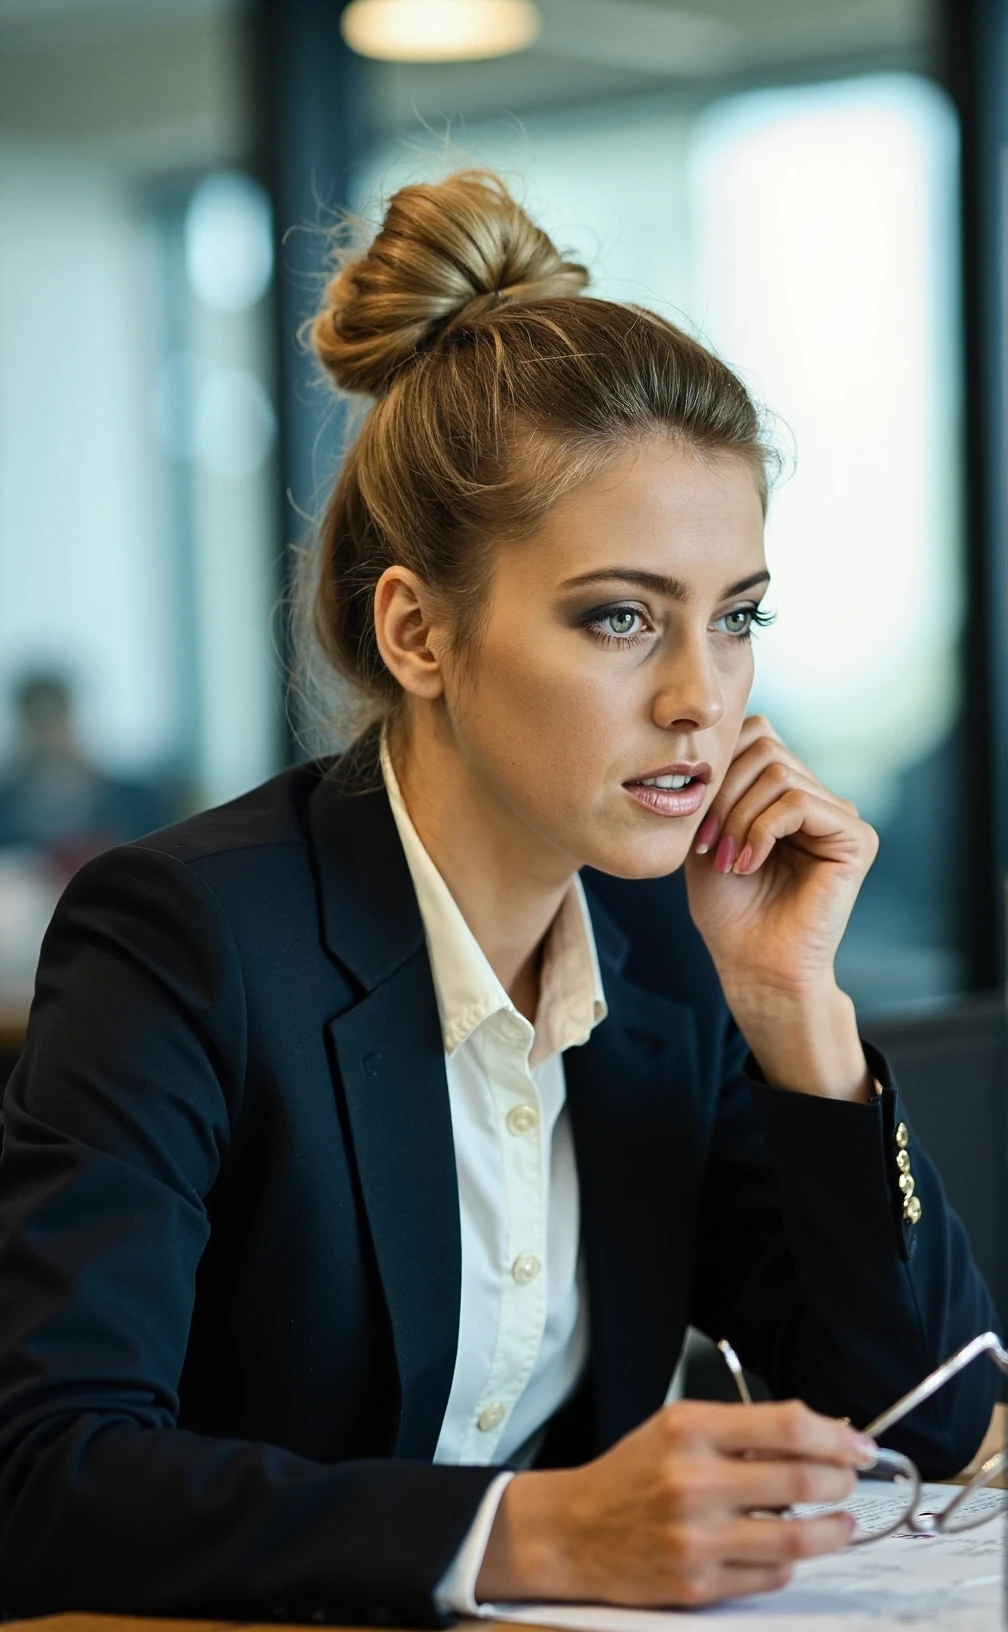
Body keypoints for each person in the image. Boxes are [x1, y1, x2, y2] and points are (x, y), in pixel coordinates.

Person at [0, 171, 998, 1623]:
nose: (699, 701)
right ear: (416, 630)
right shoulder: (192, 942)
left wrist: (798, 1011)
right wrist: (527, 1534)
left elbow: (928, 1418)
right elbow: (46, 1479)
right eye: (619, 618)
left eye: (737, 620)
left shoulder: (669, 949)